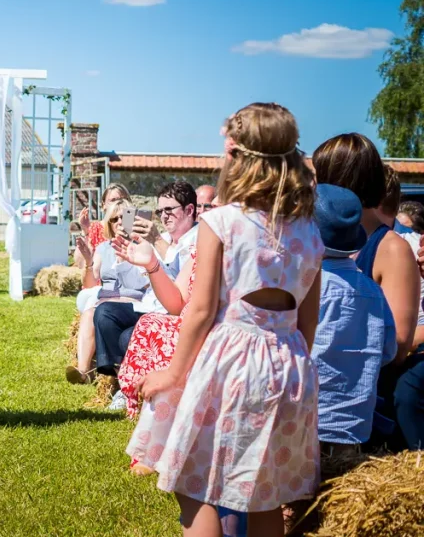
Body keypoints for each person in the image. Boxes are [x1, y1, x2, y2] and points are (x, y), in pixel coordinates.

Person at [127, 103, 323, 537]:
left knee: (191, 482)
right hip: (290, 363)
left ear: (238, 159)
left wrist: (172, 375)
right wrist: (293, 362)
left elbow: (198, 312)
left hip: (231, 363)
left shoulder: (222, 222)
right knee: (263, 493)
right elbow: (308, 320)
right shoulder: (309, 230)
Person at [313, 134, 423, 450]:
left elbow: (399, 344)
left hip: (358, 412)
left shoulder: (392, 249)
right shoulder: (315, 239)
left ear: (339, 181)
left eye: (320, 176)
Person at [92, 182, 199, 401]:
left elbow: (181, 281)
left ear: (189, 210)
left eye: (169, 210)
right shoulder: (166, 238)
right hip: (150, 304)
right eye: (160, 211)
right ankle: (121, 379)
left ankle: (128, 388)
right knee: (105, 313)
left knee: (127, 337)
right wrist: (125, 255)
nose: (164, 216)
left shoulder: (197, 240)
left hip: (172, 311)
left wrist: (156, 241)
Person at [310, 184, 398, 449]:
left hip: (307, 423)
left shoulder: (308, 288)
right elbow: (388, 351)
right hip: (356, 427)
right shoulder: (373, 291)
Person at [68, 200, 151, 390]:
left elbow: (142, 284)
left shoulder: (141, 246)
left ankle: (117, 375)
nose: (120, 222)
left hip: (132, 300)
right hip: (106, 299)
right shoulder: (103, 248)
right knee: (89, 313)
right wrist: (89, 261)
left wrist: (123, 259)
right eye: (115, 219)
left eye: (125, 217)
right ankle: (84, 372)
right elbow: (89, 284)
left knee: (102, 311)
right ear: (109, 223)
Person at [80, 183, 131, 251]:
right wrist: (85, 230)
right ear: (104, 205)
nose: (118, 203)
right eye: (113, 200)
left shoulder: (135, 226)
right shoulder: (95, 229)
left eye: (123, 199)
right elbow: (81, 260)